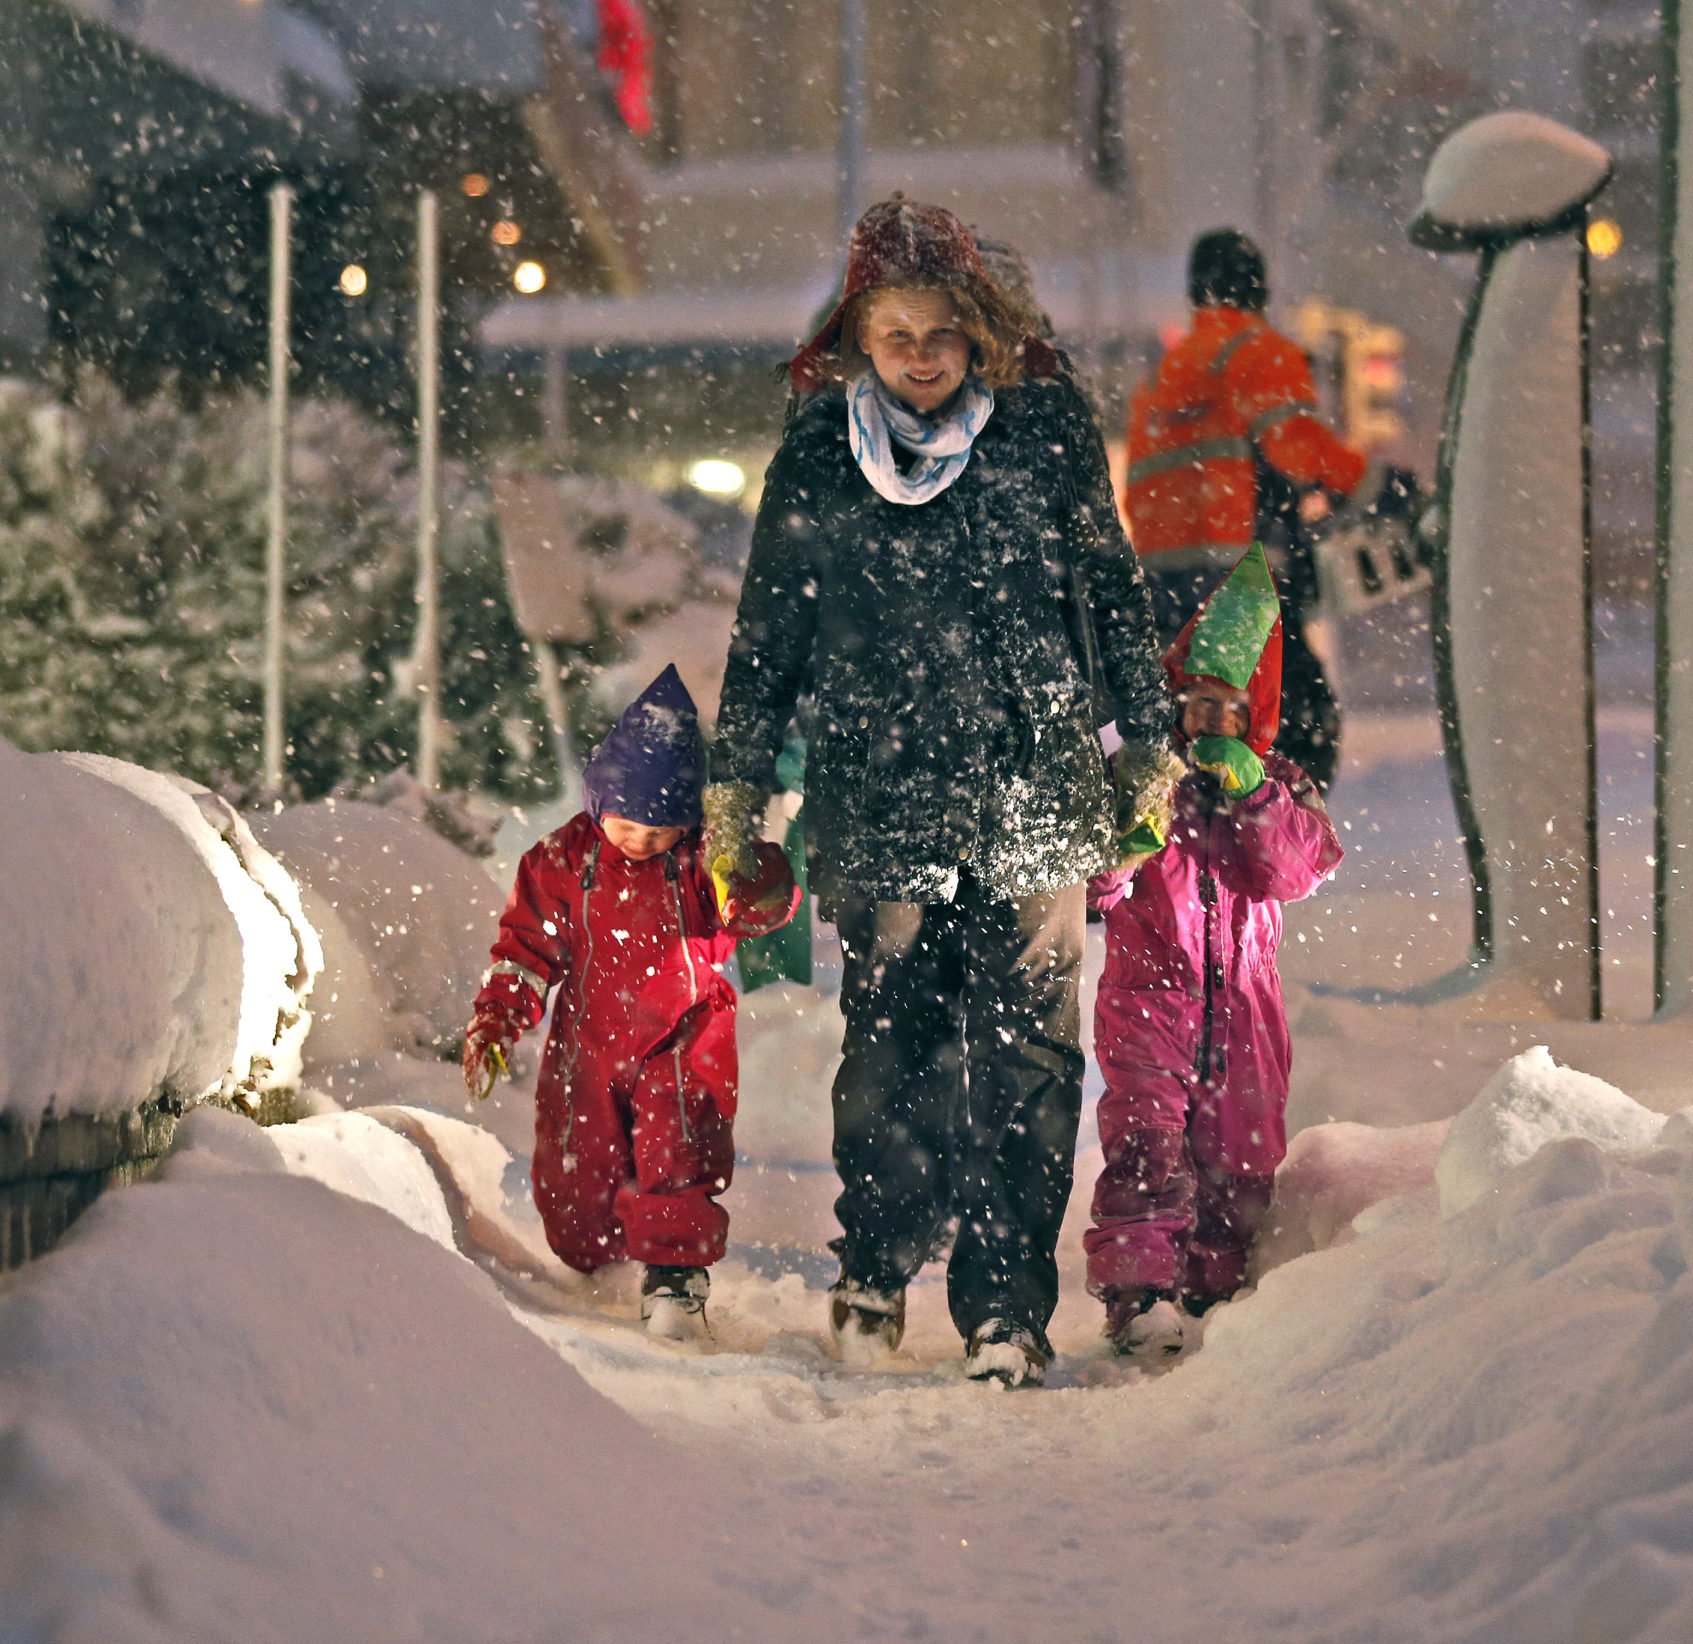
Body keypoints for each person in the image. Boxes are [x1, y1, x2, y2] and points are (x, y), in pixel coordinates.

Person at [704, 197, 1180, 1389]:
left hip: (1034, 785)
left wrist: (1151, 742)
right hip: (883, 787)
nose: (919, 358)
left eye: (941, 334)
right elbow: (769, 633)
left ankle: (1006, 1310)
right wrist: (737, 787)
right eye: (895, 334)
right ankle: (876, 1259)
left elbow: (1112, 590)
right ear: (856, 335)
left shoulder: (1045, 427)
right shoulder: (820, 446)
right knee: (889, 1051)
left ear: (984, 332)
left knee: (1026, 1063)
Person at [463, 666, 798, 1341]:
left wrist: (755, 886)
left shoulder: (705, 861)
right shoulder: (562, 859)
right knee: (575, 1174)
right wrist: (500, 1014)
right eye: (626, 823)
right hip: (587, 1042)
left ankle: (674, 1278)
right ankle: (596, 1265)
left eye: (660, 829)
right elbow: (527, 948)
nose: (640, 840)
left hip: (682, 1038)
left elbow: (758, 904)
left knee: (677, 1152)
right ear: (598, 802)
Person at [1083, 544, 1343, 1356]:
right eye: (1191, 702)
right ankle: (1139, 1291)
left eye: (1224, 707)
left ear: (1254, 715)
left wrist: (1253, 792)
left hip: (1246, 1011)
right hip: (1147, 1002)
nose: (1205, 720)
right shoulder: (1142, 778)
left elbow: (1294, 870)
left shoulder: (1280, 784)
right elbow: (1095, 890)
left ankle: (1216, 1286)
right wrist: (1123, 845)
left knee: (1241, 1154)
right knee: (1146, 1144)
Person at [1123, 228, 1398, 796]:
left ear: (1197, 292)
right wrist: (1374, 482)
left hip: (1163, 584)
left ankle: (1192, 845)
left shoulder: (1159, 376)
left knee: (1191, 728)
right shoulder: (1257, 350)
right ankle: (1280, 841)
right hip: (1241, 577)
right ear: (1258, 289)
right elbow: (1295, 444)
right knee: (1293, 720)